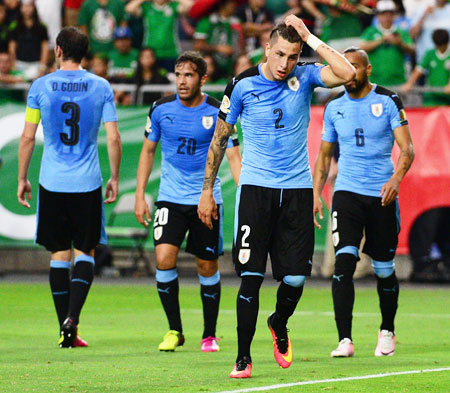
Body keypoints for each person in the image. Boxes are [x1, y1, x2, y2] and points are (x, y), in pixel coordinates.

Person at [198, 17, 355, 378]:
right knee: (251, 276)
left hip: (297, 190)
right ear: (267, 49)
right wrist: (206, 191)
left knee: (296, 279)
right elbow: (220, 139)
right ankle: (242, 357)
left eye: (293, 56)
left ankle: (279, 321)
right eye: (280, 54)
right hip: (255, 190)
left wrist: (309, 37)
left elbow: (346, 73)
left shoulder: (306, 75)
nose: (285, 64)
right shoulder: (240, 84)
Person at [17, 26, 122, 348]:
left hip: (52, 181)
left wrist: (22, 178)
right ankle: (73, 318)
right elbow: (113, 137)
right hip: (86, 182)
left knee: (59, 254)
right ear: (85, 52)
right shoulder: (101, 86)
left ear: (59, 50)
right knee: (85, 251)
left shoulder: (40, 87)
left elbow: (27, 136)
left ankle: (66, 328)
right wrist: (115, 177)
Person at [134, 51, 241, 353]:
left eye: (189, 75)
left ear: (203, 79)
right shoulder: (160, 109)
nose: (182, 81)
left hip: (206, 200)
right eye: (178, 74)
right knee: (164, 259)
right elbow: (147, 152)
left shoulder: (219, 111)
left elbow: (233, 155)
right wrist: (141, 194)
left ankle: (209, 334)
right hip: (169, 197)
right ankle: (174, 330)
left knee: (206, 266)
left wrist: (247, 195)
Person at [313, 47, 414, 358]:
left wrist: (396, 179)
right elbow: (325, 156)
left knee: (384, 269)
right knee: (343, 263)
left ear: (368, 70)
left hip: (381, 195)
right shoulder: (333, 107)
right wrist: (316, 193)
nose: (349, 72)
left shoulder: (387, 100)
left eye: (355, 67)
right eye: (345, 67)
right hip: (346, 194)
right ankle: (345, 339)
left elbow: (407, 149)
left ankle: (387, 331)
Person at [359, 0, 414, 88]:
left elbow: (412, 50)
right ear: (378, 16)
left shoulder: (401, 32)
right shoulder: (371, 31)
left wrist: (400, 43)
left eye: (390, 14)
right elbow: (362, 48)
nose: (387, 17)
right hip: (375, 81)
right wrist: (381, 40)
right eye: (383, 14)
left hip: (398, 81)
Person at [402, 29, 450, 106]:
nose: (441, 49)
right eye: (438, 46)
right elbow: (419, 69)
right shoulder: (430, 54)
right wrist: (409, 83)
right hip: (431, 99)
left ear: (447, 43)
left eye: (443, 46)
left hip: (447, 100)